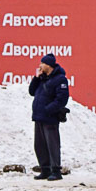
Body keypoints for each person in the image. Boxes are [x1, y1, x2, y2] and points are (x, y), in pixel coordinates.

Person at [29, 53, 70, 181]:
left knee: (52, 144)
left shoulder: (60, 79)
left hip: (50, 117)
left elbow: (62, 99)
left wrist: (48, 110)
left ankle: (56, 170)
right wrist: (36, 78)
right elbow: (31, 92)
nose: (40, 65)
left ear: (48, 65)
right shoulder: (42, 78)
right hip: (38, 116)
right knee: (39, 145)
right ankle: (45, 169)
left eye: (42, 63)